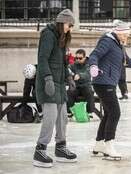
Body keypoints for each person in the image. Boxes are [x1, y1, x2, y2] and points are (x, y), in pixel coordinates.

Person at [89, 20, 131, 160]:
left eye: (128, 34)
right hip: (103, 82)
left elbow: (128, 62)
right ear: (119, 33)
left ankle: (99, 144)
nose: (127, 37)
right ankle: (109, 145)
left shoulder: (119, 45)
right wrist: (93, 67)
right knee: (115, 113)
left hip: (108, 83)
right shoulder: (107, 41)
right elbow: (94, 55)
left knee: (109, 113)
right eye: (125, 34)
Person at [33, 9, 77, 168]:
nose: (70, 28)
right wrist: (47, 79)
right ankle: (40, 150)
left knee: (62, 118)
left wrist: (69, 77)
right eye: (69, 25)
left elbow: (64, 63)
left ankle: (60, 148)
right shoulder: (48, 35)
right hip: (48, 83)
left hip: (59, 85)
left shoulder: (62, 38)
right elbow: (42, 58)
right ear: (62, 22)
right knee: (50, 118)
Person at [67, 49, 95, 118]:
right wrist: (71, 75)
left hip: (85, 86)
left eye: (80, 58)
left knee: (89, 92)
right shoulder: (73, 65)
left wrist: (79, 75)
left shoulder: (88, 64)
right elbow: (68, 70)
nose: (78, 60)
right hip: (76, 86)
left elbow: (87, 73)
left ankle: (90, 112)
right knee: (69, 92)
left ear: (84, 57)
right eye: (76, 58)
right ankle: (70, 111)